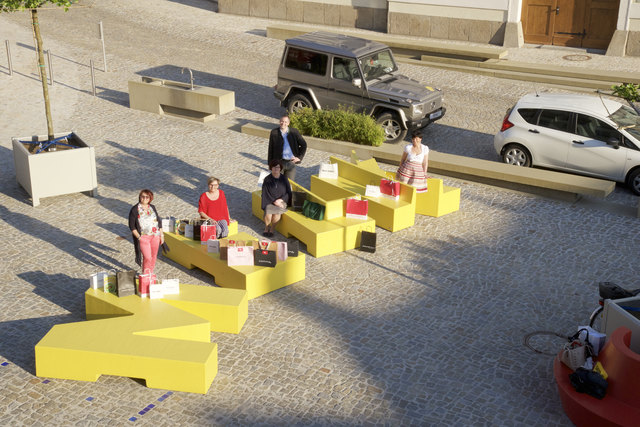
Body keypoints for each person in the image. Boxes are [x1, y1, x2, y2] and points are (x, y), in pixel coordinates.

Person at [129, 189, 164, 273]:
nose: (144, 198)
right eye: (142, 196)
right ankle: (146, 274)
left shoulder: (152, 207)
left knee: (154, 256)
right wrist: (139, 237)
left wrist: (161, 235)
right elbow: (132, 226)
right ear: (139, 197)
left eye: (147, 197)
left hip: (155, 236)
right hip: (144, 237)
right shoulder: (134, 209)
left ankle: (150, 273)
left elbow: (158, 221)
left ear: (150, 198)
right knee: (147, 257)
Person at [268, 115, 307, 181]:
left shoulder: (294, 132)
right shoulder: (274, 132)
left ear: (288, 123)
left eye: (285, 122)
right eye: (282, 121)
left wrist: (299, 157)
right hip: (278, 163)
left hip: (291, 163)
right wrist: (270, 164)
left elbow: (304, 145)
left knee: (289, 184)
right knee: (278, 183)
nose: (283, 123)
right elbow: (271, 149)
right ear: (279, 121)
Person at [261, 159, 292, 237]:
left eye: (278, 167)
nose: (276, 169)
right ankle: (266, 228)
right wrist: (274, 202)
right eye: (274, 167)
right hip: (270, 201)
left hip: (282, 201)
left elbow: (288, 192)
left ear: (280, 168)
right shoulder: (267, 179)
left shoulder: (284, 179)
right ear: (271, 168)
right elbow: (265, 193)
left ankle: (272, 229)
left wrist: (281, 200)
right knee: (268, 213)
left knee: (276, 213)